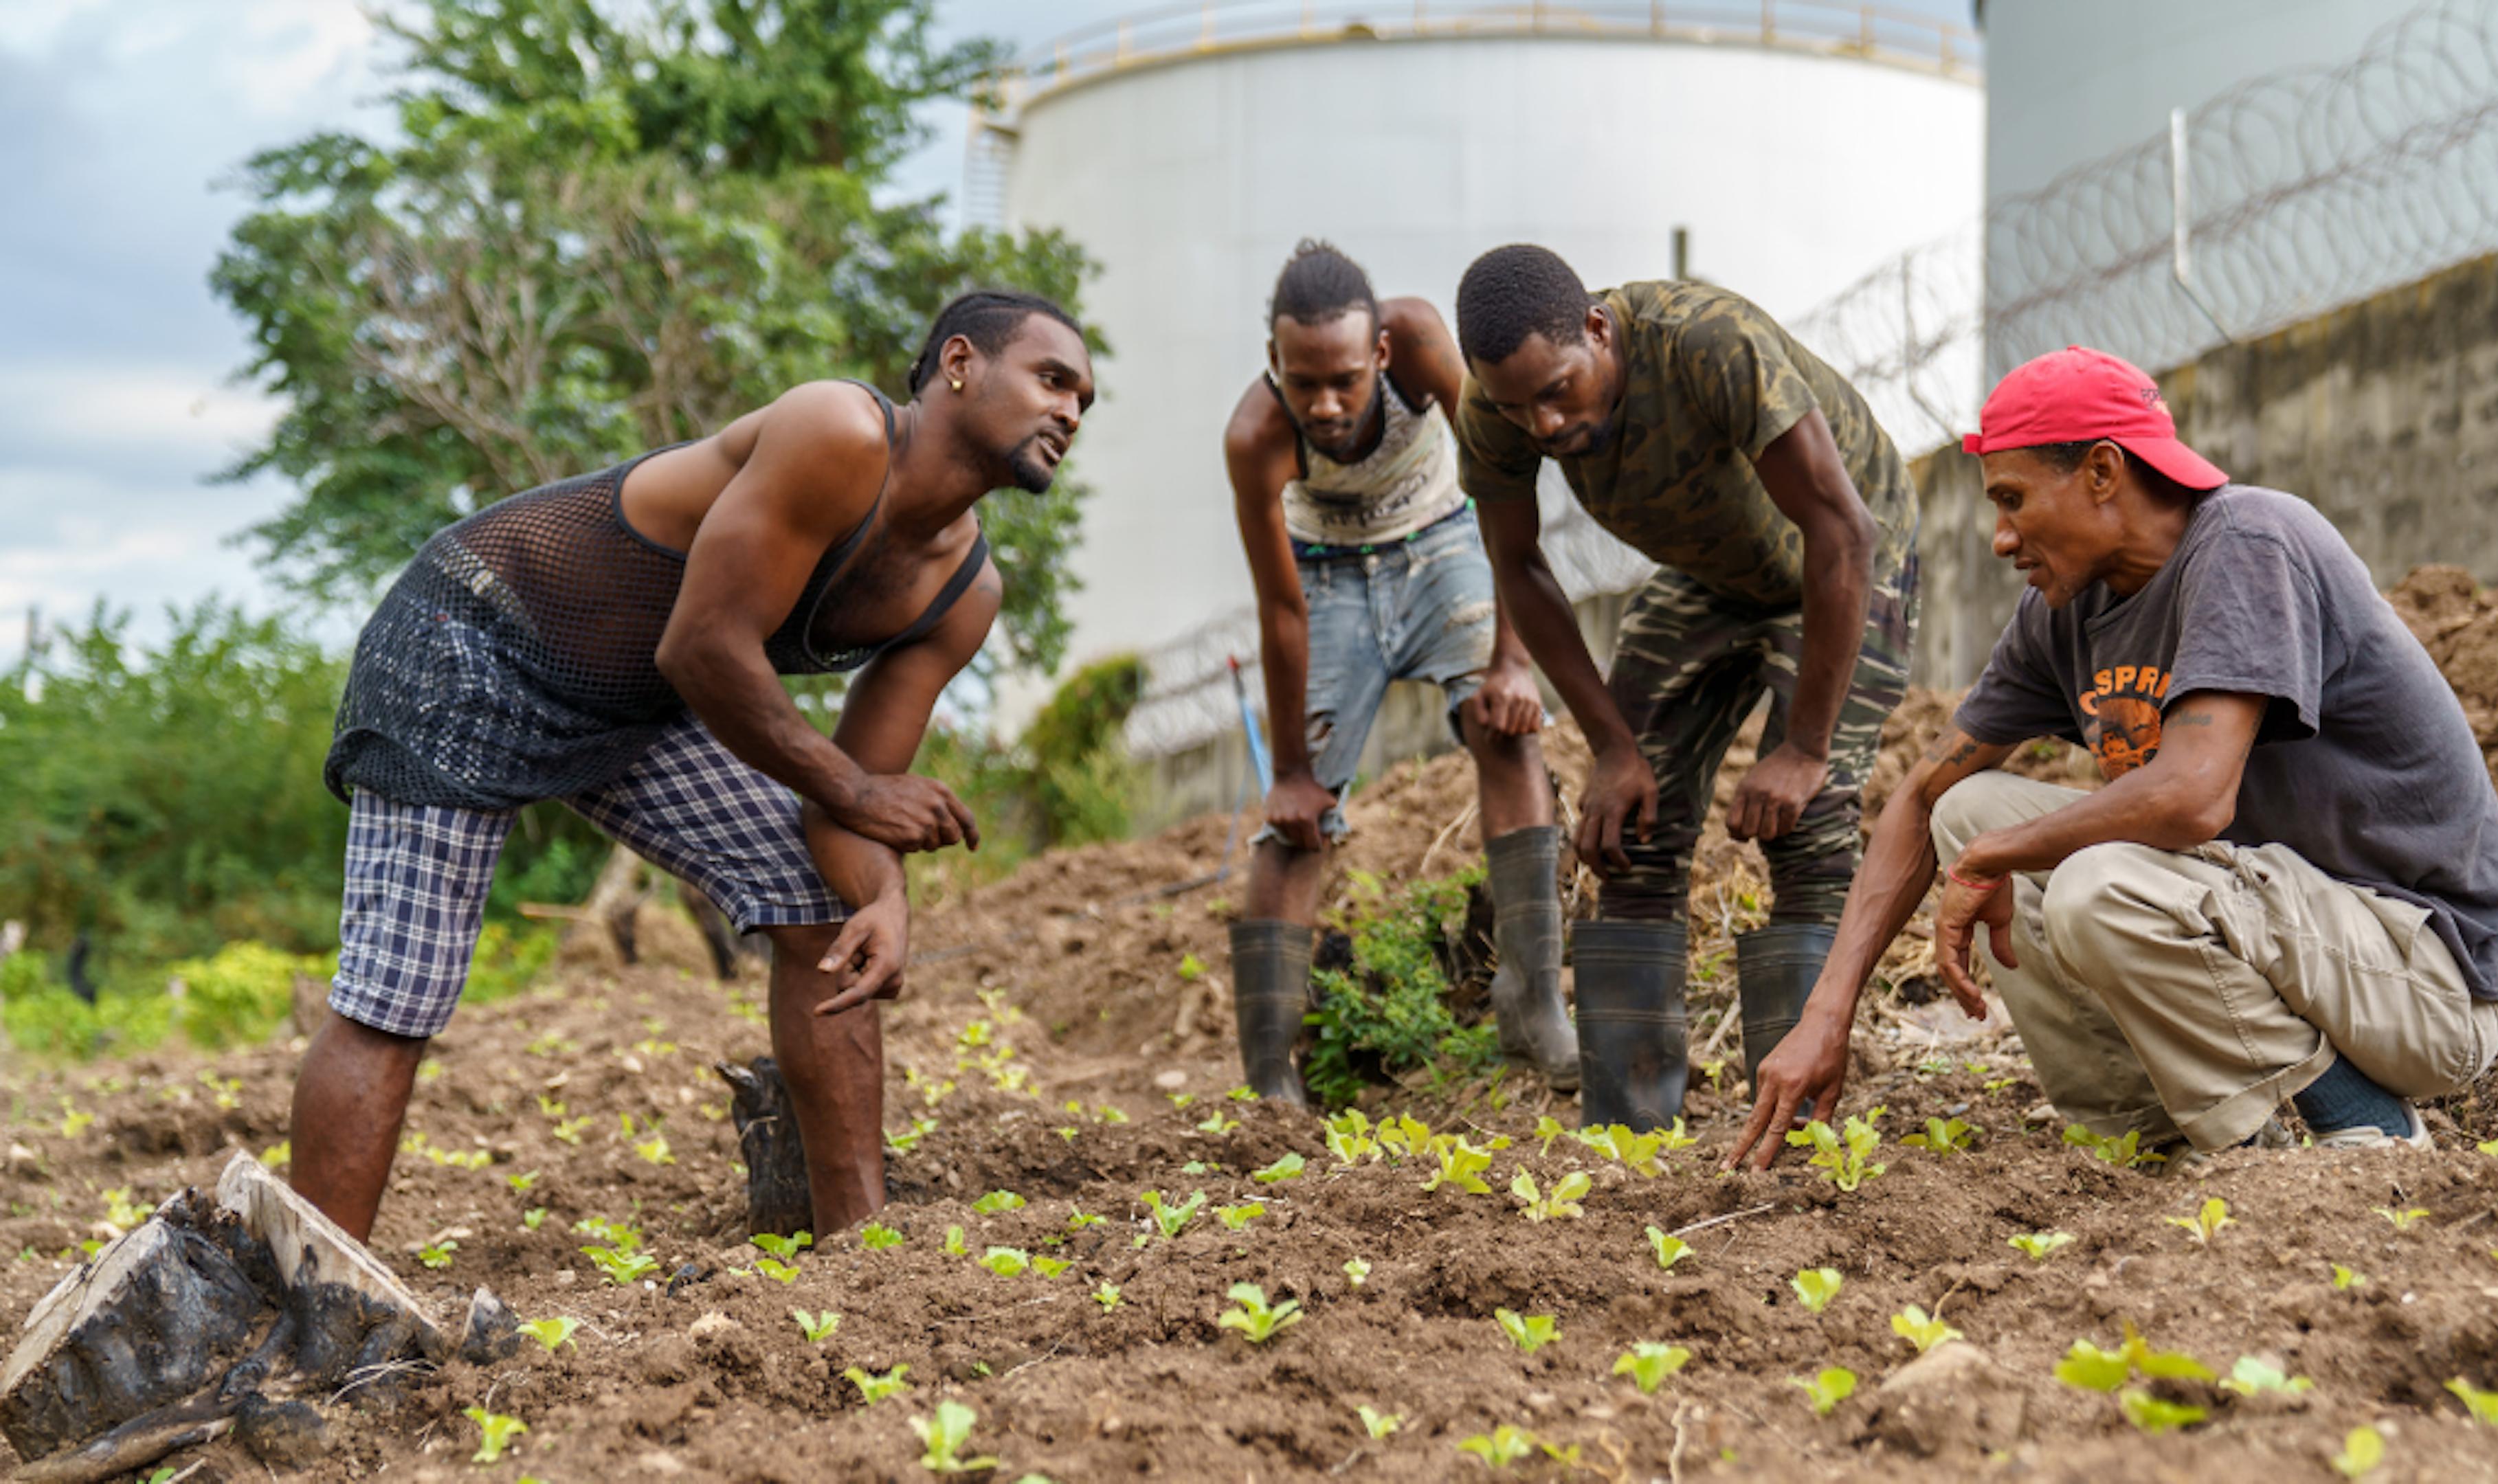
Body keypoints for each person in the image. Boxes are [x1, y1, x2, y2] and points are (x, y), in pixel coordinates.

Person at [292, 291, 1095, 1241]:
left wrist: (886, 898)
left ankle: (863, 1250)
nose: (1071, 413)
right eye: (1052, 380)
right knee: (399, 991)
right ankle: (320, 1290)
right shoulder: (838, 432)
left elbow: (847, 805)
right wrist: (855, 791)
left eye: (1086, 400)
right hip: (477, 635)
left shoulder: (964, 594)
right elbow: (707, 649)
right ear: (961, 363)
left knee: (820, 907)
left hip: (634, 705)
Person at [1725, 346, 2498, 1173]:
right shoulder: (2064, 612)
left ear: (2104, 472)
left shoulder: (2250, 543)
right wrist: (1828, 1013)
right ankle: (2156, 1130)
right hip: (2295, 938)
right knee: (1964, 810)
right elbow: (1923, 797)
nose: (2001, 539)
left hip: (2425, 980)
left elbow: (2192, 798)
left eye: (2013, 501)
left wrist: (1998, 857)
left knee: (2094, 884)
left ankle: (2362, 1124)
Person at [1451, 244, 1921, 1132]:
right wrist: (1614, 748)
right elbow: (1518, 566)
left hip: (1848, 561)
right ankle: (1633, 1131)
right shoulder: (1495, 405)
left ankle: (1798, 1130)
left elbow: (1842, 533)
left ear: (1597, 328)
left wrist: (1803, 748)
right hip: (1711, 574)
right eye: (1517, 408)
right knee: (1626, 828)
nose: (1541, 425)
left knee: (1810, 826)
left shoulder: (1707, 345)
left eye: (1557, 391)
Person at [1223, 241, 1577, 1105]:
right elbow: (1279, 610)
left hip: (1444, 543)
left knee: (1507, 733)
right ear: (1275, 365)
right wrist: (1297, 776)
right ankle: (1271, 1080)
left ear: (1380, 352)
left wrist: (1512, 661)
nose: (1328, 403)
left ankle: (1533, 1007)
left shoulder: (1421, 342)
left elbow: (1501, 482)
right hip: (1327, 576)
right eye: (1304, 383)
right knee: (1296, 824)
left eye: (1345, 378)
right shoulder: (1256, 436)